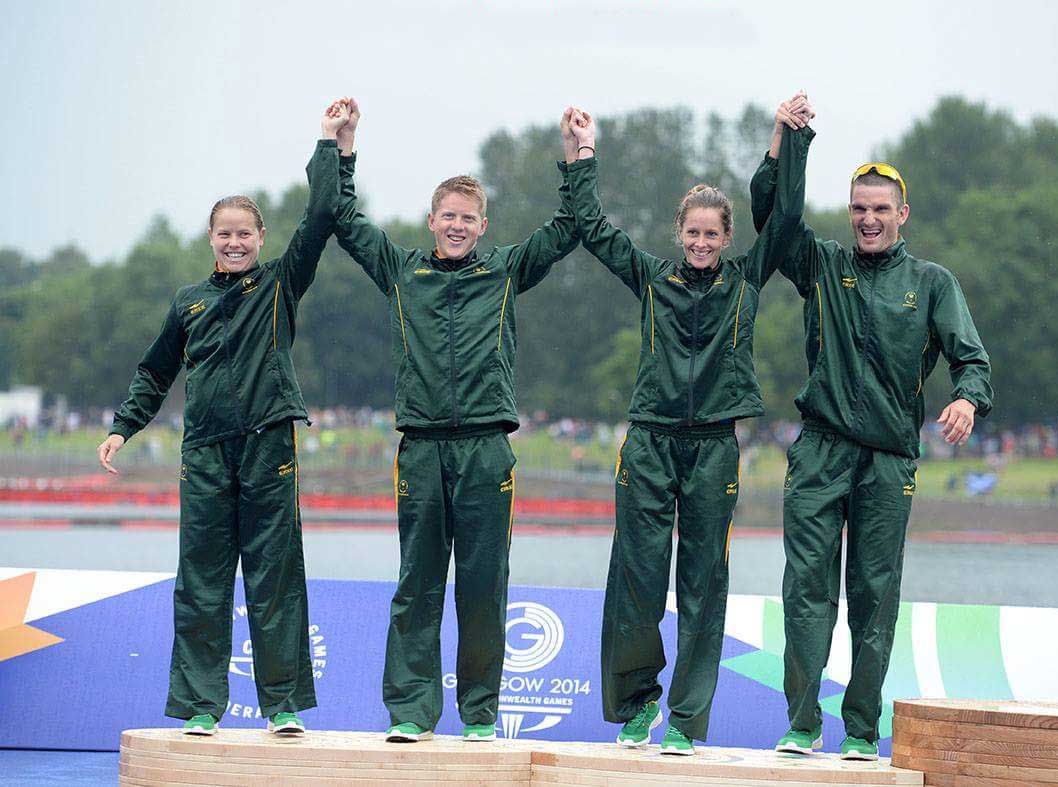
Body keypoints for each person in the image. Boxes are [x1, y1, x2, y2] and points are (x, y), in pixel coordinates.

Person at [565, 94, 815, 755]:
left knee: (703, 583)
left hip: (713, 448)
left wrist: (786, 139)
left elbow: (786, 218)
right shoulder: (652, 279)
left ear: (727, 238)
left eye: (713, 233)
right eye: (693, 231)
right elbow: (590, 225)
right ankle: (638, 701)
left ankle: (685, 718)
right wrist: (583, 152)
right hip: (647, 441)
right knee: (637, 576)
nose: (702, 242)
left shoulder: (746, 280)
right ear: (679, 232)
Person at [96, 100, 349, 737]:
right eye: (224, 233)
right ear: (210, 239)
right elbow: (155, 371)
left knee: (276, 579)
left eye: (245, 233)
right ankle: (202, 707)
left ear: (261, 239)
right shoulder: (189, 303)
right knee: (202, 583)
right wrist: (124, 425)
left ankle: (283, 706)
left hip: (270, 448)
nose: (234, 242)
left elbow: (321, 216)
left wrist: (332, 145)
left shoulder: (281, 285)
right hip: (205, 453)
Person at [331, 98, 581, 743]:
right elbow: (345, 219)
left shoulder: (504, 271)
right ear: (431, 219)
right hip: (419, 448)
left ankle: (479, 715)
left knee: (482, 588)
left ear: (484, 224)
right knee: (416, 585)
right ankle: (412, 713)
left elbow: (569, 224)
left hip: (486, 449)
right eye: (448, 217)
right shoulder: (401, 270)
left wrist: (579, 155)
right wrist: (343, 148)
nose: (458, 227)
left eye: (469, 218)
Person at [751, 138, 994, 761]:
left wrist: (967, 399)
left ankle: (860, 729)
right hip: (820, 452)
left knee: (874, 592)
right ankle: (802, 725)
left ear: (902, 214)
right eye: (859, 208)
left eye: (880, 209)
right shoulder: (823, 267)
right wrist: (786, 147)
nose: (868, 219)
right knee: (806, 588)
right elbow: (772, 219)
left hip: (888, 460)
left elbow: (973, 361)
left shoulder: (932, 283)